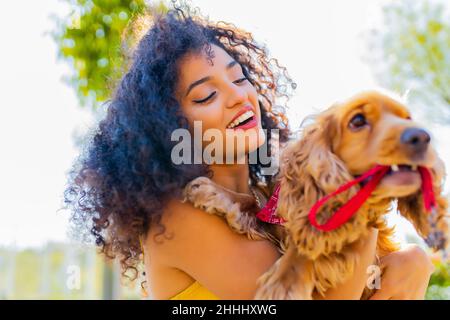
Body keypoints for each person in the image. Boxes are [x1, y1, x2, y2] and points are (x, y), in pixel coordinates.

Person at [64, 5, 435, 300]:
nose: (239, 96)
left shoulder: (272, 197)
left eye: (239, 77)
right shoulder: (179, 218)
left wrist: (412, 263)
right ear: (169, 128)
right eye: (206, 95)